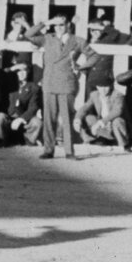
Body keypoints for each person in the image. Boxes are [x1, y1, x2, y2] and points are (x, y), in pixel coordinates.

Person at [26, 14, 90, 160]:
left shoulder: (77, 40)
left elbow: (93, 56)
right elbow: (28, 35)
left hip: (67, 83)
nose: (59, 28)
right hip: (49, 83)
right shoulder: (48, 38)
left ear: (68, 25)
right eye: (56, 25)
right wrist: (46, 22)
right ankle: (48, 150)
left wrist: (80, 68)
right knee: (49, 118)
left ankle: (69, 151)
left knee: (67, 118)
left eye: (61, 24)